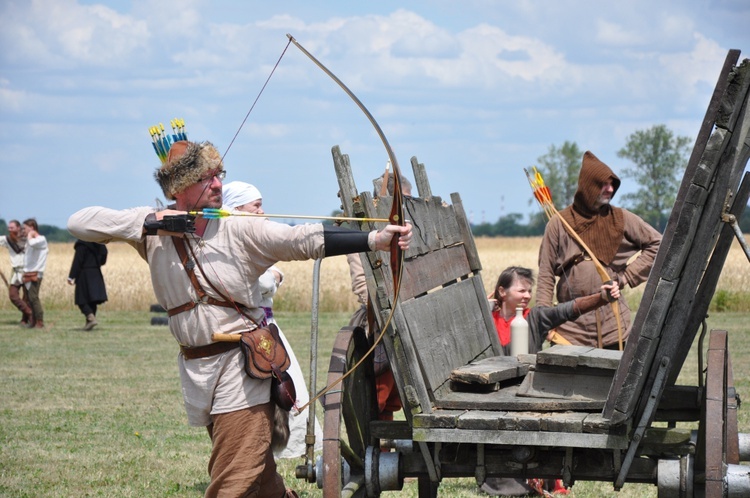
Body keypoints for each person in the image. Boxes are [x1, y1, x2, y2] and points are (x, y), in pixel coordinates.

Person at [68, 136, 412, 498]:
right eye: (207, 178)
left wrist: (375, 238)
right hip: (198, 368)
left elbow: (301, 239)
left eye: (219, 176)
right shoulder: (152, 229)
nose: (218, 184)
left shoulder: (238, 227)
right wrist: (155, 220)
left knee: (232, 478)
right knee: (259, 477)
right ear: (180, 187)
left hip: (241, 366)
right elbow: (80, 222)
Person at [482, 266, 620, 497]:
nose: (527, 296)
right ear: (502, 292)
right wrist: (486, 306)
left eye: (529, 291)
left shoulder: (534, 317)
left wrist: (601, 298)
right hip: (492, 392)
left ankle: (547, 478)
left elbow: (567, 310)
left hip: (527, 391)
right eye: (521, 290)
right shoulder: (487, 318)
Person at [222, 180, 324, 459]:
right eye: (256, 205)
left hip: (267, 329)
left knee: (288, 389)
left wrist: (274, 276)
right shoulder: (232, 237)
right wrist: (275, 277)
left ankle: (286, 445)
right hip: (253, 332)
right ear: (238, 208)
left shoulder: (251, 235)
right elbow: (261, 279)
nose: (262, 210)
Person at [536, 151, 661, 349]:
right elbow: (546, 274)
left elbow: (657, 244)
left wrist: (624, 278)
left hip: (612, 324)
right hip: (570, 327)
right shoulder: (558, 223)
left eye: (613, 184)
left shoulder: (621, 218)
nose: (610, 189)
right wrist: (543, 319)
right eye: (604, 184)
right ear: (589, 184)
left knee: (613, 379)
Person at [344, 171, 413, 422]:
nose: (404, 206)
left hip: (409, 313)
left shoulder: (409, 228)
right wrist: (385, 307)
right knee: (379, 394)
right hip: (380, 319)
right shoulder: (365, 233)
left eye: (407, 200)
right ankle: (381, 448)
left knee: (397, 393)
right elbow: (362, 284)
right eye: (399, 200)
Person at [67, 239, 108, 330]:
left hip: (84, 273)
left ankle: (90, 318)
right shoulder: (99, 242)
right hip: (96, 272)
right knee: (92, 300)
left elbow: (78, 261)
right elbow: (104, 257)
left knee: (81, 299)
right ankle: (89, 323)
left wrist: (71, 276)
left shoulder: (82, 244)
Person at [0, 220, 33, 325]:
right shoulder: (7, 239)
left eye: (12, 227)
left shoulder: (29, 239)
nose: (10, 229)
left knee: (27, 297)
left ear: (18, 228)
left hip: (28, 270)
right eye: (9, 228)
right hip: (17, 272)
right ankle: (29, 313)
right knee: (13, 295)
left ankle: (25, 320)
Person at [22, 218, 48, 329]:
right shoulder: (30, 241)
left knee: (33, 297)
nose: (24, 231)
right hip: (28, 272)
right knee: (28, 298)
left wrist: (30, 235)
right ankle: (33, 321)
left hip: (36, 273)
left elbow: (32, 243)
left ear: (32, 227)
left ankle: (39, 321)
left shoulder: (41, 239)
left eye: (25, 228)